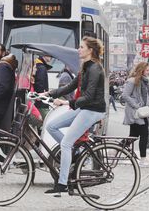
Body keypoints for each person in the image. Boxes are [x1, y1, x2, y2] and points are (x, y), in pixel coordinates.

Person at [43, 36, 106, 196]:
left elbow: (90, 96)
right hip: (84, 108)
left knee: (65, 143)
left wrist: (68, 104)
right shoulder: (86, 67)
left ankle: (62, 184)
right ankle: (73, 152)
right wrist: (49, 93)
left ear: (90, 50)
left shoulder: (95, 69)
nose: (78, 50)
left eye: (82, 47)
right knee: (51, 126)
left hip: (92, 110)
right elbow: (70, 86)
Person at [122, 61, 149, 167]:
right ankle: (143, 160)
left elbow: (146, 97)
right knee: (144, 135)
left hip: (143, 112)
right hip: (136, 113)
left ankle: (116, 150)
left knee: (133, 136)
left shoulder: (145, 81)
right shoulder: (132, 81)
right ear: (142, 70)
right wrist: (136, 105)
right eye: (147, 70)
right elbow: (125, 95)